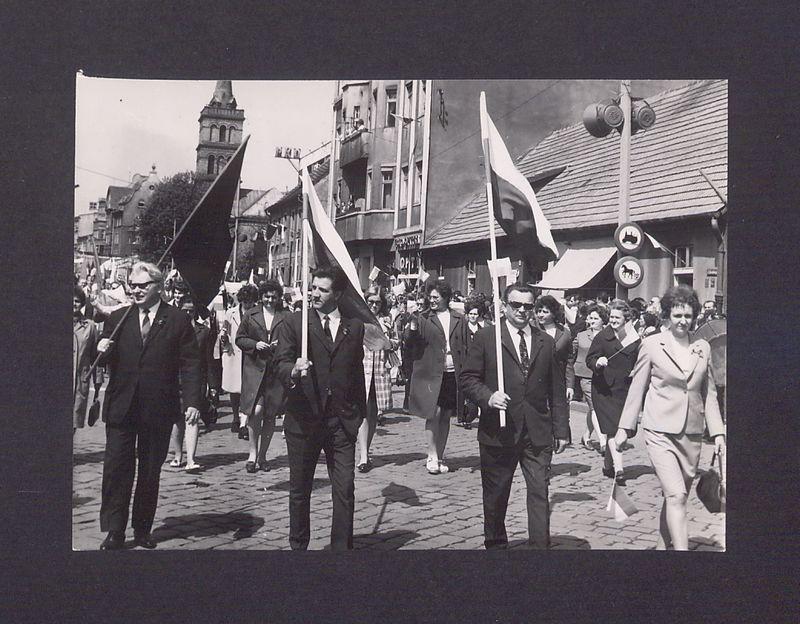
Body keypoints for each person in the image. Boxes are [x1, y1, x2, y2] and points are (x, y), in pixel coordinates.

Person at [95, 262, 201, 550]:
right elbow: (103, 361)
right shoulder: (118, 317)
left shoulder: (177, 319)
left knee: (149, 471)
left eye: (143, 285)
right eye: (133, 284)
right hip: (122, 406)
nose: (136, 289)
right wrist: (102, 350)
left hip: (158, 408)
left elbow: (191, 364)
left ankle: (142, 529)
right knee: (116, 469)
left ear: (159, 286)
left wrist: (192, 401)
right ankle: (115, 530)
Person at [614, 286, 726, 550]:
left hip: (692, 434)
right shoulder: (652, 344)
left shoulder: (702, 348)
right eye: (677, 315)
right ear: (667, 315)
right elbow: (637, 388)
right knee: (676, 494)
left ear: (694, 316)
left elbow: (709, 393)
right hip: (659, 431)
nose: (682, 321)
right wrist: (624, 428)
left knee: (676, 498)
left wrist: (718, 432)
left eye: (688, 315)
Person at [460, 283, 569, 549]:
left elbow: (555, 387)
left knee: (539, 492)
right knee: (496, 496)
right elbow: (467, 378)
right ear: (505, 305)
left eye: (528, 306)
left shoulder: (546, 341)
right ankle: (496, 548)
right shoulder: (488, 337)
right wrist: (488, 396)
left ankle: (539, 551)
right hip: (499, 429)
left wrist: (562, 429)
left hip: (537, 431)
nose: (522, 310)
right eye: (516, 305)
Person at [273, 266, 366, 550]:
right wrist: (293, 369)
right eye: (313, 287)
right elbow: (280, 362)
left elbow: (356, 371)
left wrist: (358, 413)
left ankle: (341, 549)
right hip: (304, 420)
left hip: (341, 421)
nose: (314, 293)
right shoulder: (295, 323)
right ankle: (299, 547)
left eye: (322, 289)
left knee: (345, 488)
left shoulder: (354, 326)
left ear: (337, 294)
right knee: (300, 488)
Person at [404, 281, 468, 475]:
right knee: (435, 413)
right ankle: (431, 455)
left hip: (452, 371)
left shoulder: (459, 318)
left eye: (435, 297)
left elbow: (465, 345)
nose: (431, 300)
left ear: (446, 298)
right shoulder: (423, 318)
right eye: (430, 297)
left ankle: (440, 456)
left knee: (447, 415)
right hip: (432, 372)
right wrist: (413, 325)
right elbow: (409, 341)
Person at [236, 279, 288, 473]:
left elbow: (292, 340)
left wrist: (279, 346)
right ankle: (252, 453)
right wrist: (255, 345)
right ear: (262, 296)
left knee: (270, 414)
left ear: (279, 297)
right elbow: (240, 338)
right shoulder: (251, 315)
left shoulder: (286, 316)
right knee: (255, 412)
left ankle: (263, 456)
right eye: (267, 296)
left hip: (275, 372)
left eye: (274, 297)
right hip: (254, 370)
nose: (270, 300)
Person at [586, 299, 640, 485]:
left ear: (626, 318)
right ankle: (619, 470)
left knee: (619, 429)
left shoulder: (634, 338)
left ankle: (608, 466)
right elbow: (589, 359)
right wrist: (598, 363)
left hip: (624, 389)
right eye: (611, 316)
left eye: (617, 317)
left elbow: (639, 361)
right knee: (612, 429)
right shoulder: (602, 336)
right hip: (604, 389)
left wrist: (636, 372)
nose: (613, 320)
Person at [168, 297, 213, 473]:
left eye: (191, 311)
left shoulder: (204, 332)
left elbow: (209, 359)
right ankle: (178, 455)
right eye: (184, 311)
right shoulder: (171, 329)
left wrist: (213, 385)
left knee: (192, 417)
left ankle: (191, 459)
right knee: (178, 420)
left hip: (195, 379)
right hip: (174, 378)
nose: (188, 314)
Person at [357, 287, 398, 472]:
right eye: (371, 301)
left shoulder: (387, 321)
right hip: (361, 370)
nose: (374, 305)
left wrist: (390, 342)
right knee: (363, 413)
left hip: (380, 371)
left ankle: (367, 448)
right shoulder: (358, 320)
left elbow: (397, 341)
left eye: (377, 302)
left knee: (373, 413)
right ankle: (363, 455)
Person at [218, 284, 258, 437]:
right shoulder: (231, 313)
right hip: (234, 354)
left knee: (248, 389)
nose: (247, 304)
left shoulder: (257, 313)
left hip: (251, 354)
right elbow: (225, 331)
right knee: (234, 389)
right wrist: (223, 337)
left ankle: (244, 423)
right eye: (245, 301)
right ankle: (236, 417)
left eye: (251, 301)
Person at [572, 304, 608, 451]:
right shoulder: (581, 335)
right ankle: (603, 441)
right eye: (590, 318)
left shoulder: (608, 336)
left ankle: (586, 436)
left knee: (594, 408)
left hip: (602, 376)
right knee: (595, 406)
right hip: (585, 375)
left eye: (595, 318)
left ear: (602, 320)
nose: (592, 320)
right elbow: (571, 352)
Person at [73, 286, 103, 433]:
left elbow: (96, 358)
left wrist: (97, 386)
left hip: (79, 383)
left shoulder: (90, 327)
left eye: (77, 301)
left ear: (82, 304)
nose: (73, 303)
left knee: (73, 423)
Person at [459, 300, 486, 429]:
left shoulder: (482, 330)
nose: (473, 316)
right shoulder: (463, 328)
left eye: (475, 314)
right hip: (465, 362)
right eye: (471, 314)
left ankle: (470, 415)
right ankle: (466, 417)